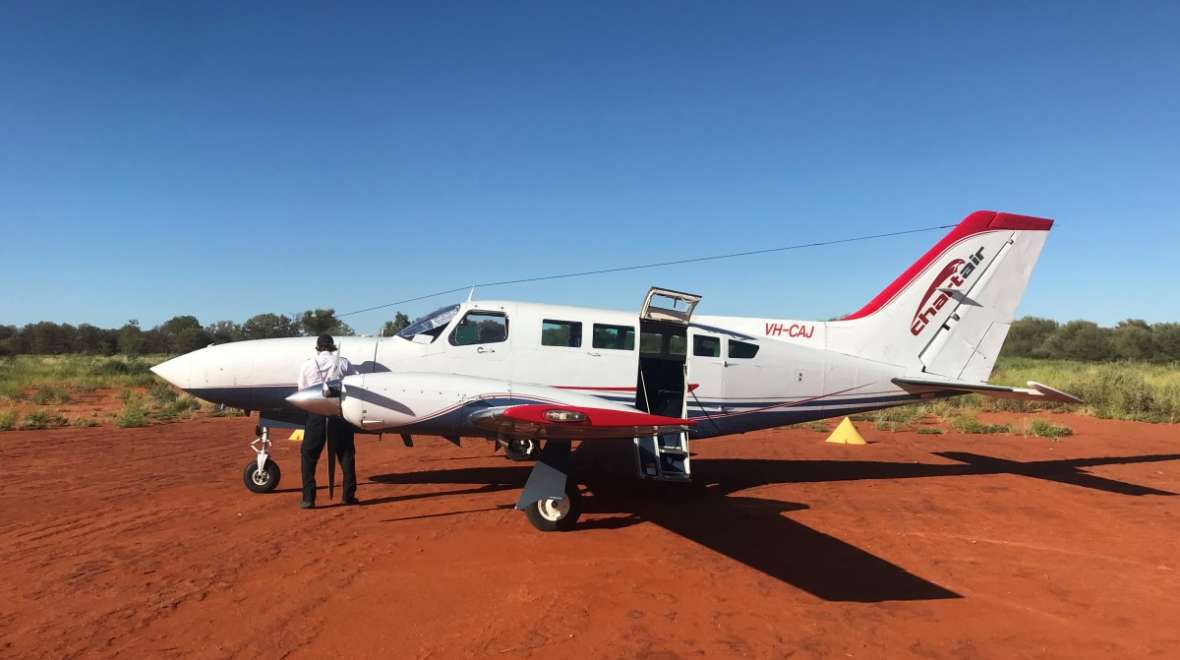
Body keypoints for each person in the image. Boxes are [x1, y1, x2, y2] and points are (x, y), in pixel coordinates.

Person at [296, 334, 358, 509]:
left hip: (316, 414)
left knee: (309, 455)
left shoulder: (307, 365)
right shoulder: (344, 363)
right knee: (346, 454)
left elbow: (301, 390)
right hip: (339, 412)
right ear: (332, 346)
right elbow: (353, 384)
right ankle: (348, 495)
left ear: (317, 347)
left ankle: (309, 498)